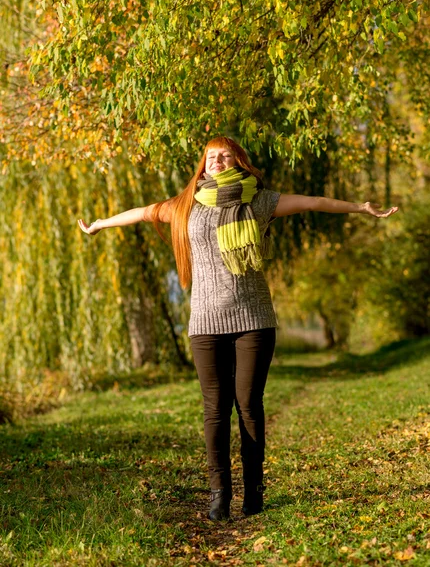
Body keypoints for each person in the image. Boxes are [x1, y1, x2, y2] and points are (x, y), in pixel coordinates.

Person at [78, 136, 398, 521]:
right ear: (203, 164)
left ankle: (254, 492)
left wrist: (360, 208)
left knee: (248, 405)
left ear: (239, 161)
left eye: (224, 154)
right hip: (205, 323)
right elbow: (142, 212)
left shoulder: (259, 201)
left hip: (254, 320)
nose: (217, 160)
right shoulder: (184, 206)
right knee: (215, 409)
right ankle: (218, 495)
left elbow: (313, 201)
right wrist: (100, 224)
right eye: (211, 156)